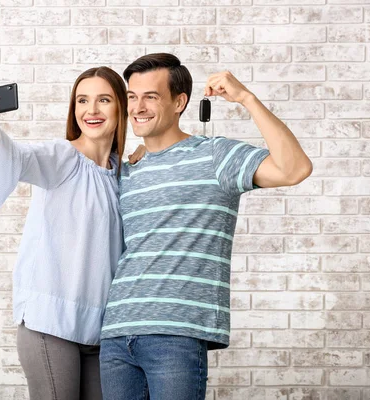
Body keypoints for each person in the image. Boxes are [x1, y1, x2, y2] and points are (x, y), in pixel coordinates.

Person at [99, 53, 313, 400]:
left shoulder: (214, 156)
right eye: (131, 96)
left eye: (150, 96)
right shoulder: (128, 169)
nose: (137, 106)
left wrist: (247, 99)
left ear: (179, 102)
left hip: (177, 332)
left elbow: (295, 169)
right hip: (117, 332)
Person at [0, 66, 128, 400]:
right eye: (82, 100)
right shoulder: (63, 157)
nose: (91, 110)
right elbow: (19, 158)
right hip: (49, 323)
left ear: (121, 108)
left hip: (101, 331)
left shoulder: (122, 176)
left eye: (103, 100)